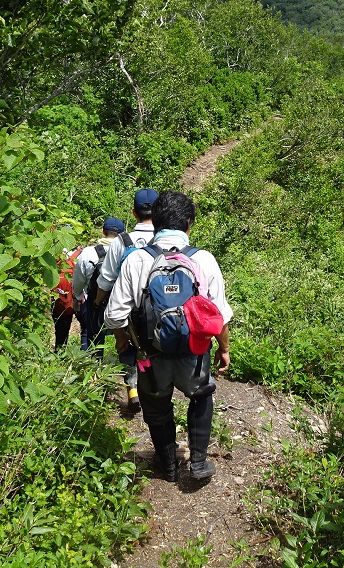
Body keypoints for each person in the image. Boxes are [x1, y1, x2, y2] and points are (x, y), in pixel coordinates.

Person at [105, 191, 232, 482]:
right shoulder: (203, 259)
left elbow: (114, 314)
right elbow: (219, 314)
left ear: (155, 222)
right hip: (194, 354)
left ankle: (168, 464)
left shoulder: (138, 259)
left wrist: (122, 339)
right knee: (201, 396)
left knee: (157, 406)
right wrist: (223, 349)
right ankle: (198, 463)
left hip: (151, 356)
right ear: (189, 223)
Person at [94, 188, 159, 412]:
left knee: (127, 347)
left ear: (133, 213)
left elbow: (107, 279)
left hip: (128, 309)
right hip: (159, 309)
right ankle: (157, 391)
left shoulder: (123, 240)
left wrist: (97, 302)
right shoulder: (166, 238)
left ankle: (132, 390)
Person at [71, 217, 125, 353]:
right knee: (126, 339)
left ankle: (91, 367)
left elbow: (78, 281)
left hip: (96, 302)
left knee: (93, 336)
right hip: (122, 303)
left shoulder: (88, 253)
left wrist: (77, 297)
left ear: (102, 231)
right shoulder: (128, 251)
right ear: (123, 234)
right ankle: (125, 370)